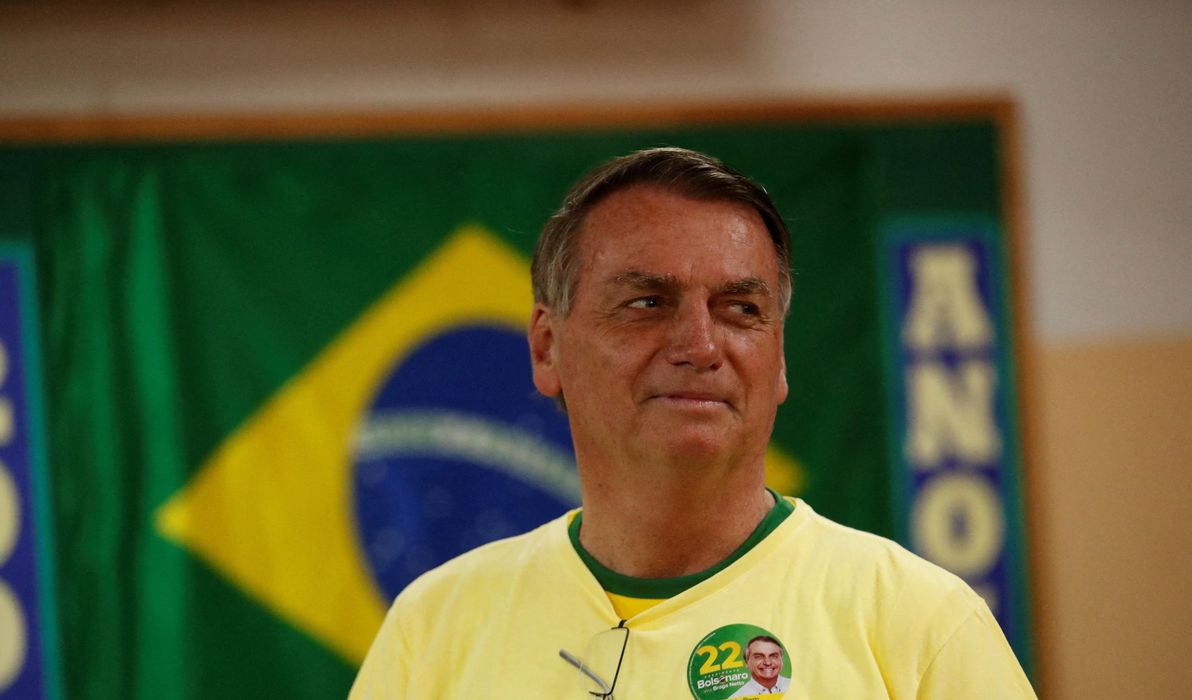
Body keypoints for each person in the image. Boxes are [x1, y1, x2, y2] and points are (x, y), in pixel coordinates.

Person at [350, 147, 1038, 698]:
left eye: (740, 309)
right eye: (647, 302)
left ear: (779, 360)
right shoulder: (434, 628)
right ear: (545, 346)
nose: (700, 346)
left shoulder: (922, 625)